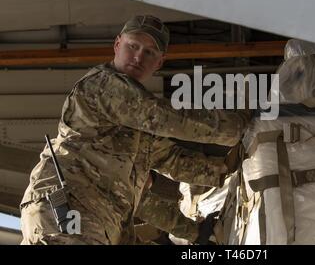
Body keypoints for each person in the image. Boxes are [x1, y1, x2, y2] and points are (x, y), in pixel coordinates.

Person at [20, 15, 250, 244]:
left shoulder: (136, 134)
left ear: (159, 62)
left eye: (149, 52)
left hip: (93, 217)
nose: (139, 56)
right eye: (133, 46)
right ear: (117, 45)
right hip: (68, 207)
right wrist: (243, 127)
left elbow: (171, 163)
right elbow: (164, 117)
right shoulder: (103, 85)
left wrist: (226, 170)